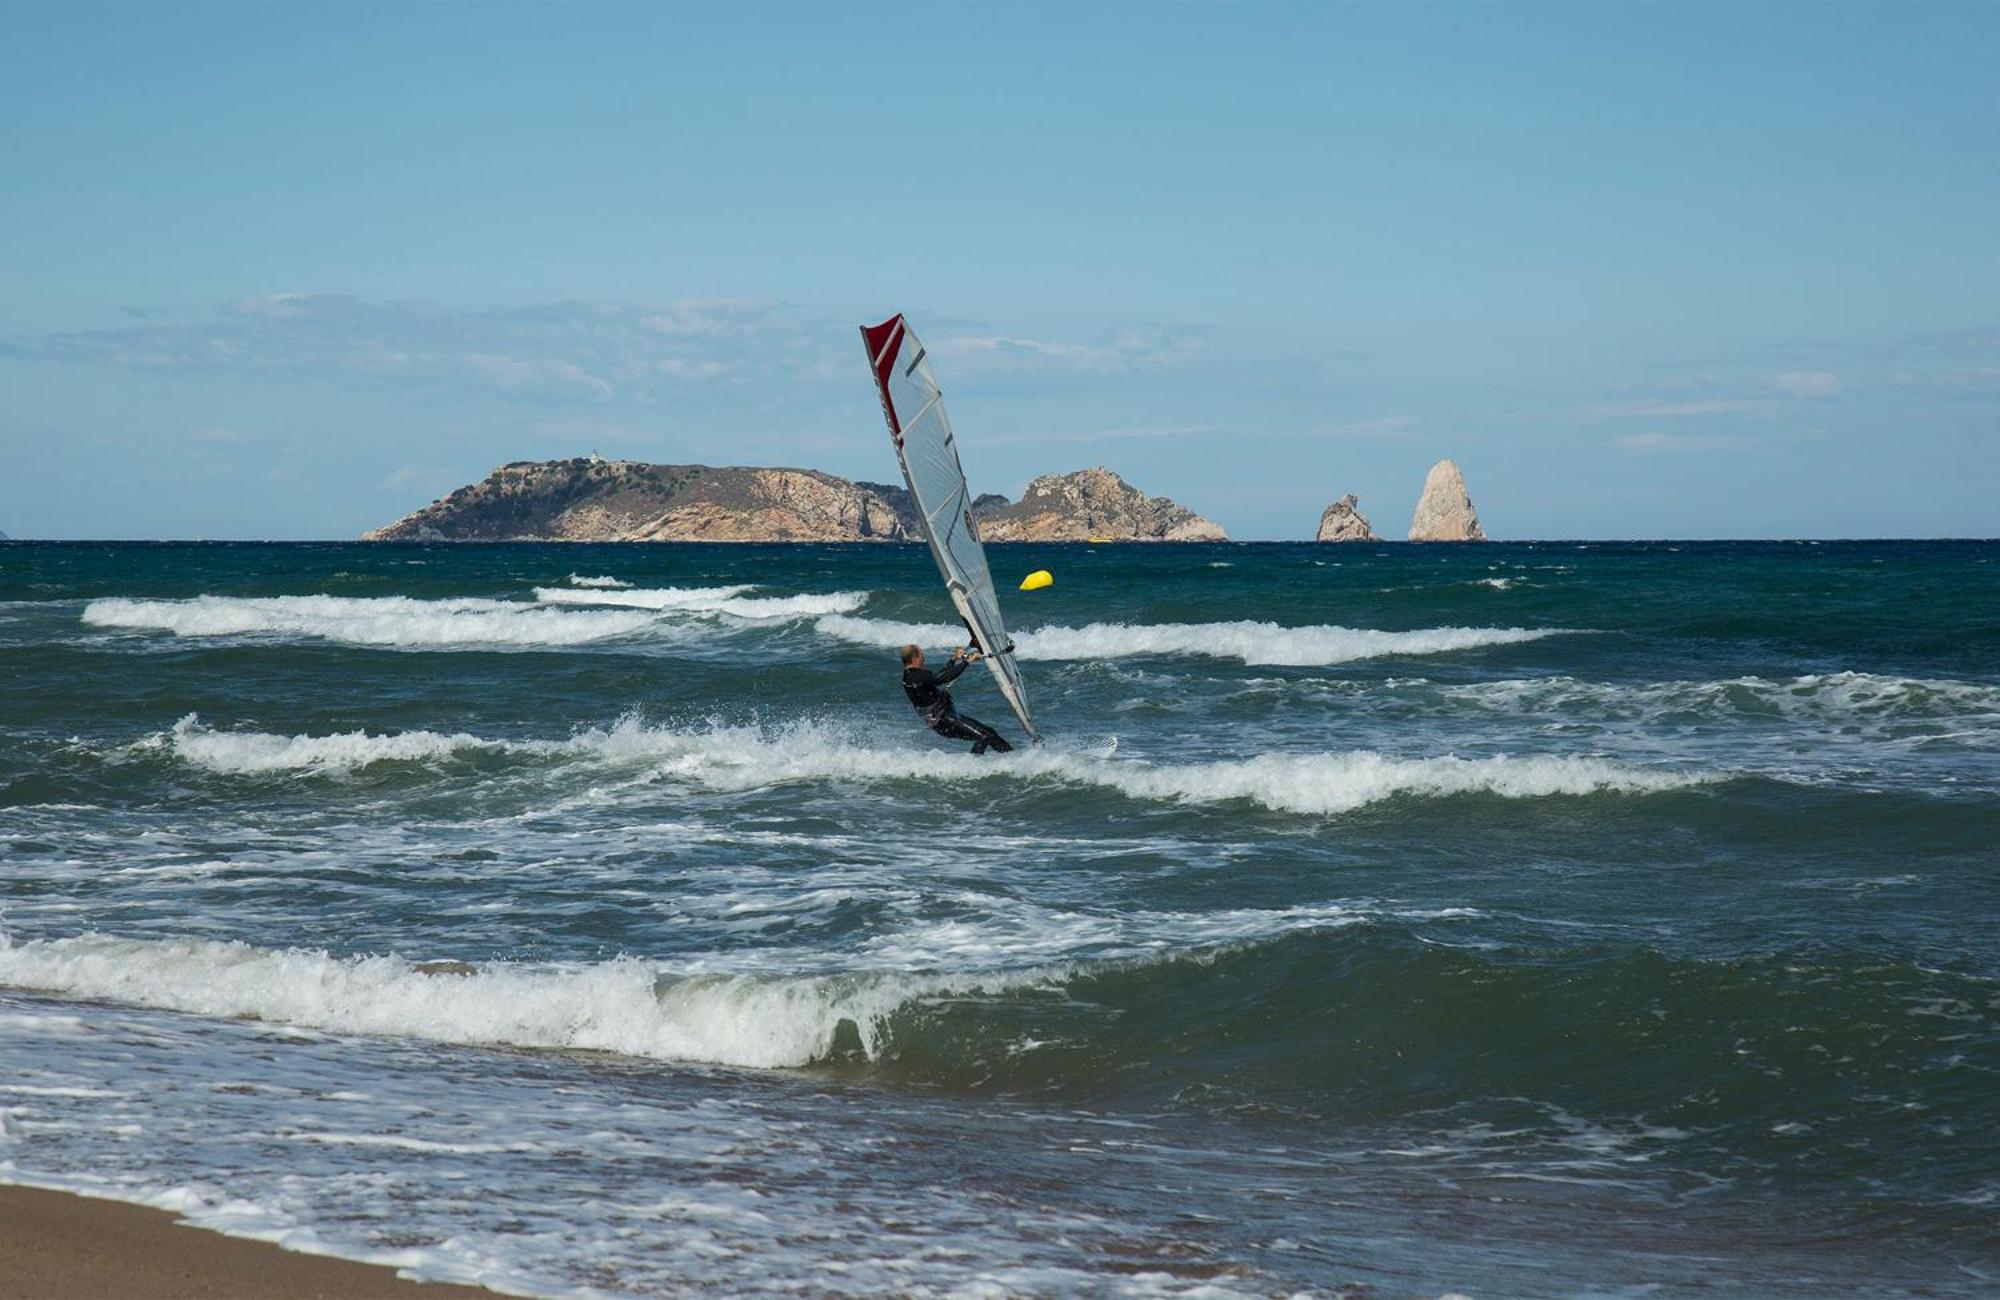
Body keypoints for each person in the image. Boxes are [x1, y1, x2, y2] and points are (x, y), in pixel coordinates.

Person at [899, 642, 1014, 754]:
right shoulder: (916, 676)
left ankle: (1011, 756)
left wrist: (953, 659)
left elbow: (938, 677)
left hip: (946, 720)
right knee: (984, 736)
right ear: (915, 658)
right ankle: (973, 765)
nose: (924, 658)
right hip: (945, 721)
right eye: (922, 655)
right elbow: (942, 678)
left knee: (990, 733)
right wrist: (966, 662)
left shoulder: (910, 676)